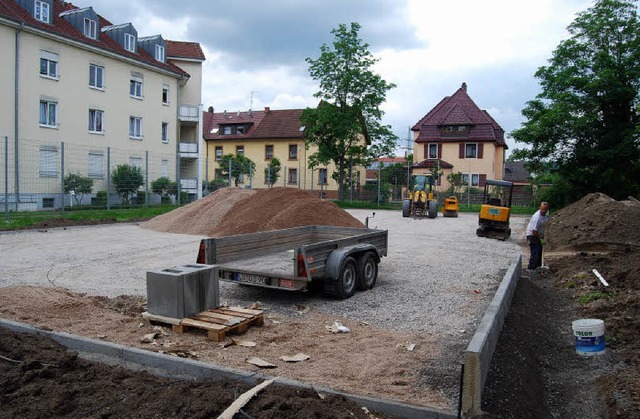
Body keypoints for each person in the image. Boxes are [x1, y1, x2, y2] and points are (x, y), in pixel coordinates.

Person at [526, 201, 550, 271]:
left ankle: (539, 267)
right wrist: (541, 238)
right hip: (532, 236)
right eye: (542, 209)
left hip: (539, 235)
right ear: (540, 208)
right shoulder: (537, 217)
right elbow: (534, 231)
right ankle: (530, 269)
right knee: (535, 252)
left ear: (547, 209)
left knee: (540, 252)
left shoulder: (546, 214)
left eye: (545, 209)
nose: (544, 211)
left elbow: (547, 222)